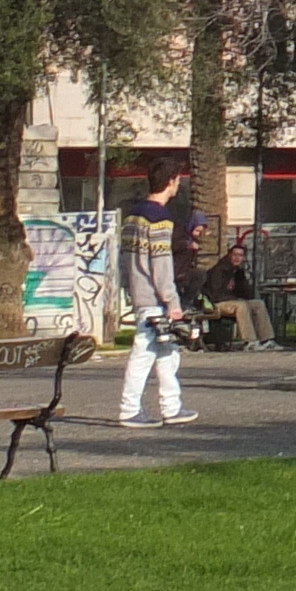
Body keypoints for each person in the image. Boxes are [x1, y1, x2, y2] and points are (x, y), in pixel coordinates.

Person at [112, 156, 203, 428]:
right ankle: (129, 409)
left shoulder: (133, 217)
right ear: (171, 181)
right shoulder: (160, 219)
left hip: (139, 292)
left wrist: (128, 288)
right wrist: (171, 301)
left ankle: (171, 406)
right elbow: (161, 265)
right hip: (154, 297)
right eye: (177, 180)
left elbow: (124, 259)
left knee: (167, 351)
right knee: (145, 352)